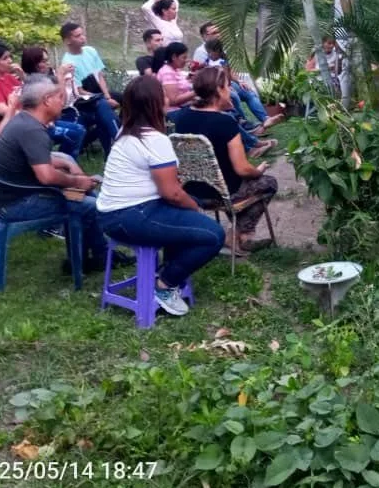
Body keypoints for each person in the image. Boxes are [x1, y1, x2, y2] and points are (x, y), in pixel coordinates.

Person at [97, 75, 225, 316]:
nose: (168, 98)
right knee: (213, 234)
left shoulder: (126, 131)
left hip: (111, 215)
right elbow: (172, 193)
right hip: (132, 215)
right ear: (154, 103)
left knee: (190, 209)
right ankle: (165, 283)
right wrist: (194, 209)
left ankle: (166, 270)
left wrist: (189, 205)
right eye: (163, 95)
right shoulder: (154, 140)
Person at [0, 74, 112, 273]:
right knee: (88, 204)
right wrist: (78, 183)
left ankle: (100, 255)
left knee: (86, 197)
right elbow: (46, 177)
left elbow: (34, 159)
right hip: (15, 203)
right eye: (60, 98)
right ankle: (87, 260)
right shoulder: (33, 130)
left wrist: (66, 164)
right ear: (46, 101)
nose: (64, 103)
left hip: (12, 194)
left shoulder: (24, 121)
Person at [173, 66, 278, 255]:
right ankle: (240, 235)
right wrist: (259, 170)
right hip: (223, 192)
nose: (230, 90)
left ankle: (239, 235)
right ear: (219, 90)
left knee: (241, 186)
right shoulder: (225, 123)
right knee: (268, 183)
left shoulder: (182, 117)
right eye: (228, 86)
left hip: (191, 190)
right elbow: (242, 169)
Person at [59, 22, 120, 155]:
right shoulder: (68, 63)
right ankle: (119, 140)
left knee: (129, 97)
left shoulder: (91, 51)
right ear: (68, 40)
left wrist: (107, 96)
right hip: (84, 100)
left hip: (99, 93)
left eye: (82, 34)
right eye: (78, 36)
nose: (83, 38)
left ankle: (123, 139)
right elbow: (79, 91)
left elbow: (100, 76)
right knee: (102, 107)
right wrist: (104, 99)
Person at [204, 38, 284, 133]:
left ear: (217, 51)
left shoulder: (224, 60)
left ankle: (265, 119)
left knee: (249, 93)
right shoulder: (206, 60)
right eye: (208, 52)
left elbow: (228, 76)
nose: (209, 54)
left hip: (227, 84)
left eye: (210, 52)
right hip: (216, 86)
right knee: (234, 97)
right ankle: (244, 123)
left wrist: (240, 81)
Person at [21, 47, 87, 160]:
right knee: (74, 133)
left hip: (50, 121)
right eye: (43, 61)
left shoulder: (46, 78)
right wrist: (60, 76)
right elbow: (61, 103)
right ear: (34, 63)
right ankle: (64, 163)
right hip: (39, 126)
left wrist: (63, 80)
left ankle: (65, 162)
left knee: (80, 129)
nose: (48, 63)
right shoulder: (34, 82)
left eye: (47, 60)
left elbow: (63, 101)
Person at [154, 42, 196, 124]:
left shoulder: (175, 69)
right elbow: (173, 100)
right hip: (172, 112)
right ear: (174, 57)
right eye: (184, 57)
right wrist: (198, 91)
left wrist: (189, 80)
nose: (186, 60)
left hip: (182, 108)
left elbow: (178, 86)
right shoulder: (167, 72)